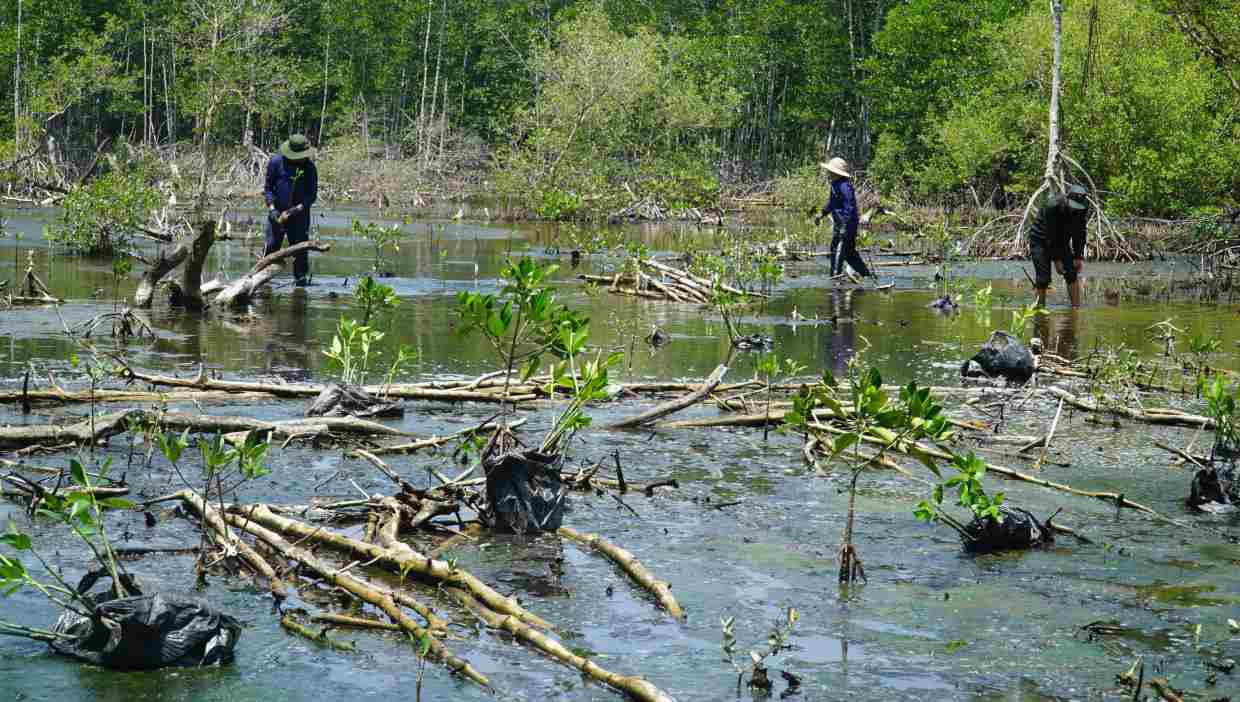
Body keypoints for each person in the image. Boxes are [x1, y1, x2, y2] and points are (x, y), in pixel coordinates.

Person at [264, 134, 318, 286]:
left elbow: (311, 195)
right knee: (271, 248)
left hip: (300, 216)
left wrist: (297, 209)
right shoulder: (276, 162)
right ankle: (263, 284)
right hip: (277, 214)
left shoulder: (309, 168)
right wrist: (272, 209)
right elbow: (268, 189)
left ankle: (300, 284)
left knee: (300, 252)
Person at [1029, 184, 1090, 307]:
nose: (1074, 209)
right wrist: (1057, 260)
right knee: (1043, 279)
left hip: (1062, 241)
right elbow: (1050, 235)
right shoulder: (1052, 206)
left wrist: (1078, 256)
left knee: (1071, 273)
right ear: (1067, 198)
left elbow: (1080, 232)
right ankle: (1039, 309)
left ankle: (1076, 309)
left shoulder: (1083, 207)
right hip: (1040, 239)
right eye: (1073, 206)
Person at [814, 157, 873, 281]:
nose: (828, 173)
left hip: (846, 225)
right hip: (843, 225)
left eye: (830, 171)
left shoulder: (844, 186)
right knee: (849, 254)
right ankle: (868, 277)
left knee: (837, 251)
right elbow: (832, 203)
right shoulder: (835, 185)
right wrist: (822, 214)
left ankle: (835, 280)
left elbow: (850, 207)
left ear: (836, 173)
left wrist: (844, 227)